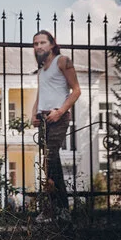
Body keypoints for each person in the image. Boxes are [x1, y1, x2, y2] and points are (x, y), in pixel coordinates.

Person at [31, 30, 81, 223]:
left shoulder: (63, 61)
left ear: (52, 44)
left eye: (42, 42)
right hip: (43, 118)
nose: (38, 47)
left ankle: (57, 210)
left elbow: (76, 91)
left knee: (50, 161)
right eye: (35, 44)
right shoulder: (42, 69)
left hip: (57, 117)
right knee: (50, 165)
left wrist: (60, 111)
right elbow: (40, 94)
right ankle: (59, 210)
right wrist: (34, 114)